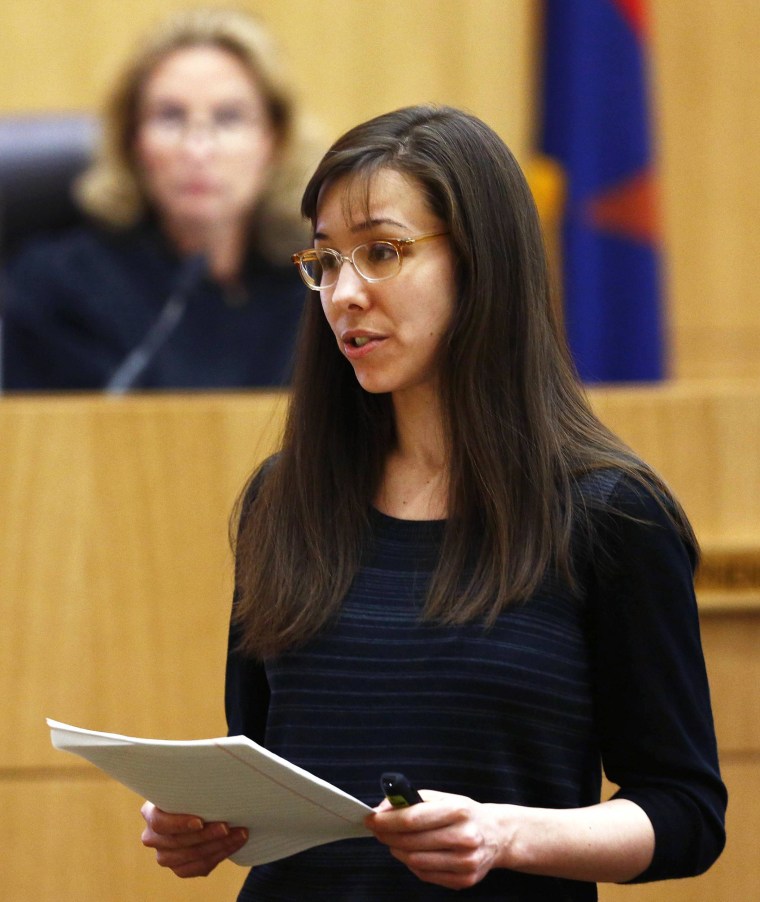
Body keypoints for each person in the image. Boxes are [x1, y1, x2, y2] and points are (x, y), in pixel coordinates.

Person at [140, 105, 727, 899]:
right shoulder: (285, 501)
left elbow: (684, 812)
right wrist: (207, 823)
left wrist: (504, 832)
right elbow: (264, 767)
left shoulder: (610, 514)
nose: (344, 294)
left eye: (381, 252)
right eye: (325, 260)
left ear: (481, 262)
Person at [1, 8, 320, 391]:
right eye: (170, 117)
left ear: (274, 140)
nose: (198, 148)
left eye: (229, 118)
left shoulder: (317, 288)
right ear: (133, 140)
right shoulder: (57, 288)